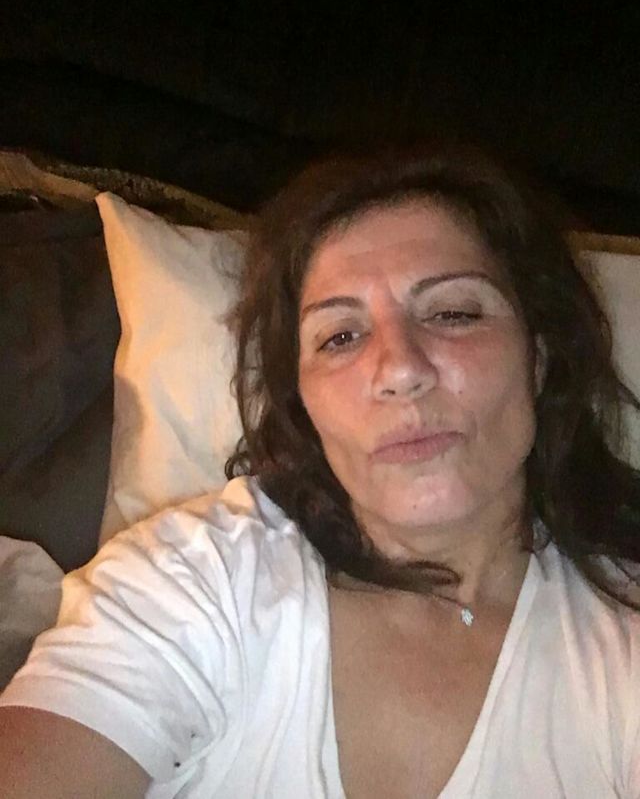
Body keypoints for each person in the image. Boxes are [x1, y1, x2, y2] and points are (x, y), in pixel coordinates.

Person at [1, 144, 639, 798]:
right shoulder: (196, 580)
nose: (400, 369)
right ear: (303, 402)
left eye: (453, 313)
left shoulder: (622, 645)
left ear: (538, 357)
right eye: (340, 337)